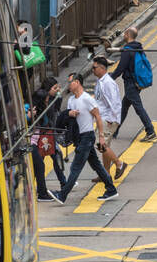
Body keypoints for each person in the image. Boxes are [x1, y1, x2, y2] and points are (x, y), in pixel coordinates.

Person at [49, 74, 119, 204]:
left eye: (70, 82)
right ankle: (111, 189)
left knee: (75, 168)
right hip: (79, 137)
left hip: (87, 136)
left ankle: (62, 195)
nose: (68, 84)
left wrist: (101, 137)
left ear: (77, 82)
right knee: (97, 165)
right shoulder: (71, 100)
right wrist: (69, 114)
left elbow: (98, 117)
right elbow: (66, 117)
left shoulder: (87, 99)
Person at [113, 26, 157, 141]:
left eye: (124, 33)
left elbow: (121, 68)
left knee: (138, 108)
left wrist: (110, 78)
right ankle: (115, 130)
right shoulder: (138, 48)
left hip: (130, 83)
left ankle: (150, 131)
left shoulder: (127, 50)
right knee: (124, 107)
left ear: (127, 34)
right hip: (137, 82)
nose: (123, 35)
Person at [89, 57, 127, 180]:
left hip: (108, 118)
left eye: (94, 68)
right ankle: (105, 174)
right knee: (105, 146)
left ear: (102, 68)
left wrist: (112, 118)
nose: (92, 70)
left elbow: (115, 102)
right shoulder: (101, 81)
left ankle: (119, 164)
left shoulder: (108, 83)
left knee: (100, 144)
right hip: (103, 117)